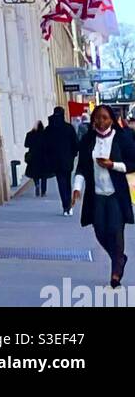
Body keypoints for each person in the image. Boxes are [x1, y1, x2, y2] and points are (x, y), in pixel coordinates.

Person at [72, 103, 135, 287]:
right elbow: (82, 167)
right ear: (93, 120)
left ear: (111, 120)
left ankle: (115, 273)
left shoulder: (122, 138)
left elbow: (132, 162)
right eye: (97, 118)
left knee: (116, 231)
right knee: (99, 230)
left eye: (105, 118)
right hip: (96, 194)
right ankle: (119, 258)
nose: (101, 122)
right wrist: (77, 188)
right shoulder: (88, 140)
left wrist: (113, 165)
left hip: (116, 194)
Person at [44, 105, 79, 215]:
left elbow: (45, 146)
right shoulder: (68, 128)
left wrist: (49, 158)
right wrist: (73, 154)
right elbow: (75, 143)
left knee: (61, 182)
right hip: (67, 160)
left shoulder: (49, 129)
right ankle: (69, 205)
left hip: (55, 161)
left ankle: (65, 206)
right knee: (68, 182)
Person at [24, 120, 48, 197]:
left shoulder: (30, 134)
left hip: (33, 156)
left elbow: (26, 145)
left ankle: (37, 184)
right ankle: (43, 191)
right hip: (43, 156)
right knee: (44, 175)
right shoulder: (45, 134)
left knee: (35, 173)